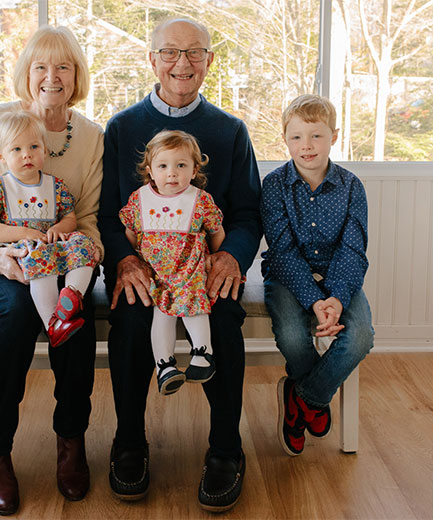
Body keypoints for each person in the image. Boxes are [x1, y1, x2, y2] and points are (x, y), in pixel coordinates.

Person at [0, 26, 103, 515]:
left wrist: (80, 254)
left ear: (77, 77)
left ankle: (71, 444)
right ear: (25, 75)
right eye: (40, 67)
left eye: (63, 67)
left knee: (75, 315)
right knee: (12, 312)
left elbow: (88, 219)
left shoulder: (91, 136)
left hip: (53, 256)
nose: (51, 77)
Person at [99, 17, 261, 512]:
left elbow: (248, 211)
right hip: (143, 269)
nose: (182, 63)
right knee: (129, 317)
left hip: (204, 266)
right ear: (152, 60)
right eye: (170, 52)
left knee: (224, 317)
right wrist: (125, 260)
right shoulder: (123, 127)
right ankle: (129, 443)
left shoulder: (230, 131)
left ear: (210, 61)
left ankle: (226, 451)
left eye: (194, 53)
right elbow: (108, 212)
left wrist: (230, 257)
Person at [260, 94, 374, 457]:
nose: (306, 146)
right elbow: (281, 251)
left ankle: (304, 398)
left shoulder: (352, 187)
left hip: (340, 278)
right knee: (293, 337)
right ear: (285, 140)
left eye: (316, 136)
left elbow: (353, 249)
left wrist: (337, 298)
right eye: (296, 137)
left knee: (359, 338)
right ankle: (317, 401)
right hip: (287, 278)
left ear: (334, 136)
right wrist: (313, 299)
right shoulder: (274, 186)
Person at [119, 130, 225, 396]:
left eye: (181, 166)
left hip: (189, 271)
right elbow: (130, 235)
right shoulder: (139, 199)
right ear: (150, 170)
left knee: (194, 307)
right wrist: (133, 257)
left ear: (194, 169)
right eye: (163, 166)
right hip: (155, 275)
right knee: (162, 316)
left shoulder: (200, 200)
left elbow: (216, 231)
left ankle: (203, 355)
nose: (172, 173)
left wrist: (216, 255)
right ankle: (164, 366)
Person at [0, 110, 97, 348]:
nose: (27, 155)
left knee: (83, 242)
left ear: (44, 150)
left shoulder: (55, 185)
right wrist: (25, 234)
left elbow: (70, 217)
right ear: (1, 156)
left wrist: (60, 228)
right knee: (40, 258)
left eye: (34, 147)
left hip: (52, 243)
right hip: (25, 250)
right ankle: (53, 324)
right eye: (17, 150)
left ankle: (71, 296)